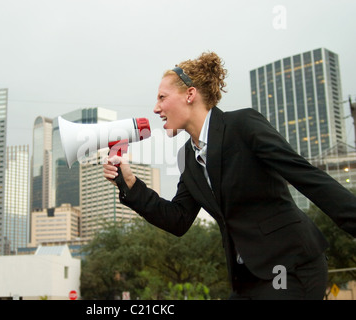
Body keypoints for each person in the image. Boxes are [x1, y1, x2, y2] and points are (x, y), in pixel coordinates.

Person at [103, 51, 356, 300]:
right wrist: (130, 183)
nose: (156, 108)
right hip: (246, 279)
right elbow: (177, 220)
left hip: (291, 268)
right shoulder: (188, 157)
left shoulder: (242, 125)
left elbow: (307, 176)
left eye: (162, 97)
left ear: (190, 94)